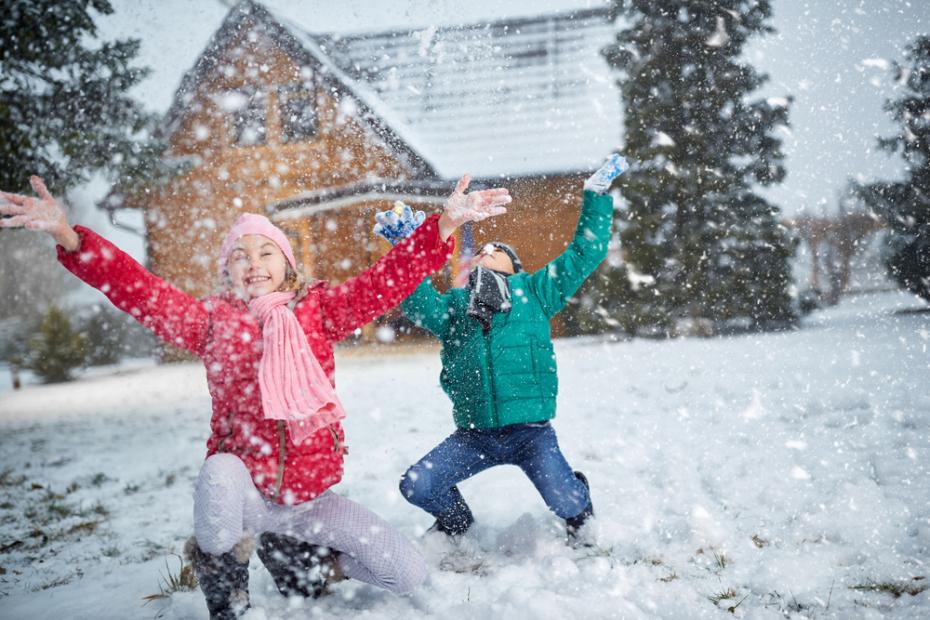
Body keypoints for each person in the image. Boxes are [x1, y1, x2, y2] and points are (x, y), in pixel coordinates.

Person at [0, 174, 510, 619]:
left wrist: (441, 228)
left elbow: (385, 282)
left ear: (288, 265)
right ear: (228, 273)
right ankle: (230, 604)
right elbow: (141, 290)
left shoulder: (321, 311)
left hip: (313, 501)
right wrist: (69, 236)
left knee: (408, 573)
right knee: (219, 471)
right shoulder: (210, 323)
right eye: (240, 256)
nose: (253, 262)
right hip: (250, 499)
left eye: (266, 251)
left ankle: (311, 561)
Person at [379, 154, 628, 546]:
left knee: (564, 499)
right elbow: (413, 299)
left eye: (494, 251)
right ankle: (456, 521)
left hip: (531, 433)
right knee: (417, 484)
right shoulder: (455, 308)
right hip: (473, 435)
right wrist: (404, 251)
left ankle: (579, 506)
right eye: (478, 252)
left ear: (514, 268)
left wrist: (594, 197)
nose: (482, 253)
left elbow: (586, 252)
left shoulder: (537, 293)